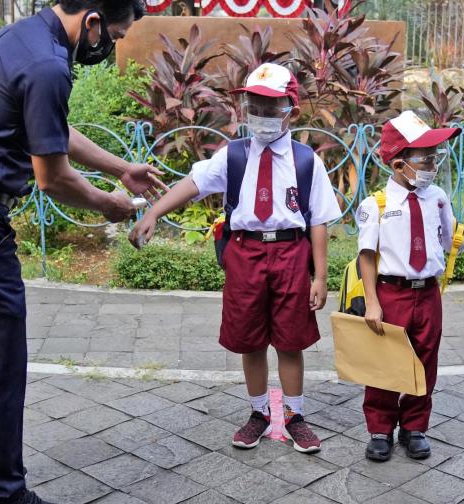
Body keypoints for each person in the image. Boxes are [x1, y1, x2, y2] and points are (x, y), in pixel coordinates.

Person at [0, 1, 164, 503]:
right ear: (92, 21)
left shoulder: (20, 37)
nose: (110, 45)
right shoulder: (48, 63)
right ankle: (4, 494)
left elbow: (50, 128)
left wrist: (119, 168)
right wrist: (108, 204)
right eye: (114, 35)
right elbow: (53, 178)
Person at [129, 63, 341, 454]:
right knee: (250, 339)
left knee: (290, 340)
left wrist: (321, 277)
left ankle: (294, 415)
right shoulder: (234, 156)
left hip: (291, 253)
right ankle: (259, 412)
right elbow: (193, 183)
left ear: (291, 111)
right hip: (245, 253)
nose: (260, 114)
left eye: (270, 107)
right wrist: (154, 212)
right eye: (254, 106)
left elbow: (319, 222)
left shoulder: (306, 161)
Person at [356, 111, 464, 462]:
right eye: (426, 159)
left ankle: (414, 426)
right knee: (386, 361)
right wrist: (372, 302)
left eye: (436, 158)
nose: (433, 166)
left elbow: (454, 235)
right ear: (399, 163)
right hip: (391, 292)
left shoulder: (436, 197)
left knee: (425, 359)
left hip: (428, 293)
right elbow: (367, 257)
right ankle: (380, 429)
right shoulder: (376, 205)